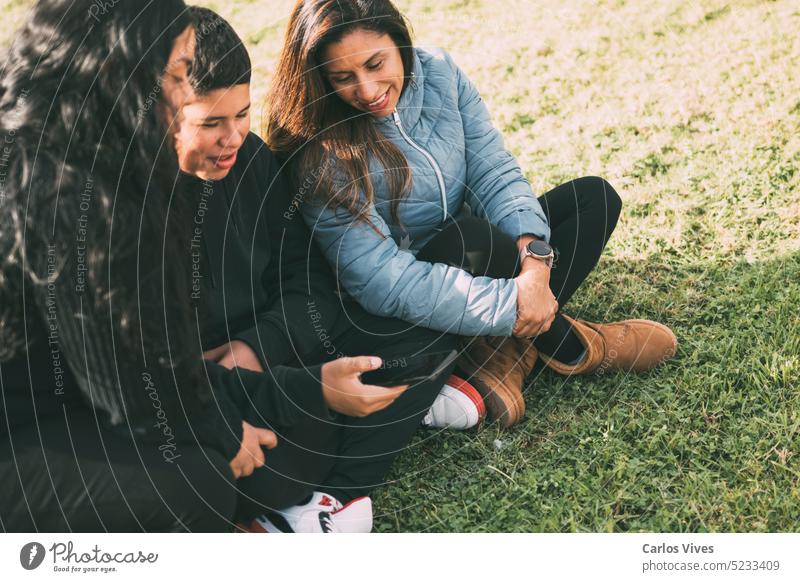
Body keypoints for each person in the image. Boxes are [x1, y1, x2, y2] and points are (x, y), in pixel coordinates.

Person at [266, 0, 678, 428]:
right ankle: (573, 346)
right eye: (343, 78)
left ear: (399, 41)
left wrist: (535, 265)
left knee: (593, 200)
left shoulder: (440, 72)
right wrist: (509, 305)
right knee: (476, 238)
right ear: (319, 79)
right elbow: (383, 280)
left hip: (482, 256)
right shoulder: (318, 148)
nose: (368, 91)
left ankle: (502, 357)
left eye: (375, 64)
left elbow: (492, 172)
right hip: (401, 304)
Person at [168, 6, 477, 533]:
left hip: (282, 358)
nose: (234, 138)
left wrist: (258, 348)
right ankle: (327, 485)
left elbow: (306, 278)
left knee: (442, 292)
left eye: (242, 114)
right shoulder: (127, 213)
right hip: (206, 402)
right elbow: (141, 370)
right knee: (280, 465)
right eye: (211, 123)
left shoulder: (252, 160)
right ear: (165, 116)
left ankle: (389, 415)